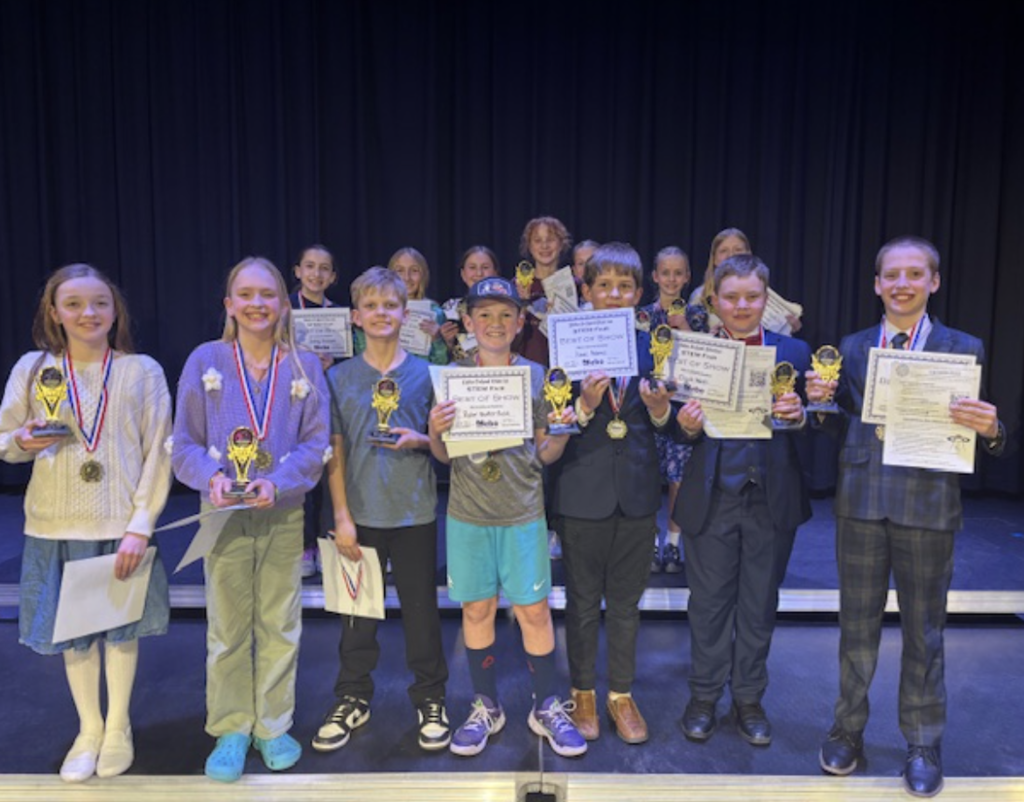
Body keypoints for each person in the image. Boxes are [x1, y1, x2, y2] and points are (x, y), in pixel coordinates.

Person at [806, 236, 1005, 797]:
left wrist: (992, 431)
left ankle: (923, 741)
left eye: (914, 274)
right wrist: (820, 402)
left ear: (933, 282)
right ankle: (847, 731)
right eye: (891, 275)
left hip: (929, 506)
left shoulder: (964, 346)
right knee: (856, 630)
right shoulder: (852, 346)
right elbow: (842, 419)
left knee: (925, 633)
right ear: (876, 284)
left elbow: (980, 428)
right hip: (863, 505)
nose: (901, 284)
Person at [0, 263, 173, 782]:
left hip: (119, 524)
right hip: (54, 526)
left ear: (114, 309)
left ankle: (118, 726)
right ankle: (88, 728)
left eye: (99, 302)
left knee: (120, 631)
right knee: (74, 634)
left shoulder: (143, 371)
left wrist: (140, 525)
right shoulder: (33, 369)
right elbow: (5, 440)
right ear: (53, 312)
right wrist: (21, 442)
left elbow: (157, 455)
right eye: (73, 303)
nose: (88, 313)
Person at [171, 256, 330, 783]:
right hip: (221, 512)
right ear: (229, 304)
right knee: (227, 624)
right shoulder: (204, 360)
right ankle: (232, 727)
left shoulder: (304, 364)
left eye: (268, 294)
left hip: (282, 514)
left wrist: (278, 482)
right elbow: (185, 445)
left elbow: (315, 445)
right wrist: (212, 478)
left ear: (284, 304)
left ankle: (273, 724)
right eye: (246, 294)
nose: (257, 304)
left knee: (280, 621)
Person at [428, 276, 586, 759]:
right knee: (476, 610)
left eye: (505, 315)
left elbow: (544, 454)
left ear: (520, 323)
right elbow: (441, 455)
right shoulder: (451, 376)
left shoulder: (538, 376)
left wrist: (561, 432)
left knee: (534, 612)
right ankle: (486, 706)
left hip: (521, 513)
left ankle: (546, 707)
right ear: (470, 322)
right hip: (468, 515)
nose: (495, 324)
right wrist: (436, 430)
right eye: (485, 315)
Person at [673, 254, 812, 748]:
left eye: (752, 296)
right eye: (731, 297)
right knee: (708, 607)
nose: (741, 306)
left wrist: (799, 413)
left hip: (771, 499)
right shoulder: (694, 352)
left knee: (758, 606)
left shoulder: (793, 352)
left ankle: (749, 699)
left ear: (765, 298)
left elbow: (813, 422)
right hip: (711, 499)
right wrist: (683, 426)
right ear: (715, 300)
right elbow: (676, 426)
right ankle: (704, 698)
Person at [312, 267, 449, 753]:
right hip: (360, 516)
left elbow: (446, 452)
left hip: (414, 514)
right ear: (355, 317)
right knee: (357, 617)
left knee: (422, 615)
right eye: (371, 306)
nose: (381, 314)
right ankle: (353, 696)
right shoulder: (338, 377)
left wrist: (424, 439)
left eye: (390, 306)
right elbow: (336, 452)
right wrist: (341, 517)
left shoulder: (428, 375)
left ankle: (430, 698)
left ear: (404, 312)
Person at [550, 242, 675, 745]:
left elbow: (675, 430)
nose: (614, 294)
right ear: (587, 291)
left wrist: (663, 410)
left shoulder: (654, 351)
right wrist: (581, 406)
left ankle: (620, 694)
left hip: (638, 497)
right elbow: (554, 424)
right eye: (604, 286)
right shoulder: (564, 350)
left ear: (639, 295)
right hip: (582, 495)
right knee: (581, 603)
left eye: (625, 287)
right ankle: (581, 692)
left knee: (625, 604)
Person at [640, 246, 701, 573]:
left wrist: (685, 329)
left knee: (679, 478)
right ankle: (650, 543)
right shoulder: (643, 316)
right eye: (666, 272)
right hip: (650, 403)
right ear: (655, 276)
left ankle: (673, 544)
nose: (672, 279)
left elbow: (706, 363)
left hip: (681, 407)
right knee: (650, 474)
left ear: (688, 277)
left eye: (679, 273)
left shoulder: (698, 316)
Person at [289, 244, 338, 578]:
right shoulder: (284, 311)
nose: (316, 274)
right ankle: (304, 545)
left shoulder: (341, 315)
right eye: (309, 266)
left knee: (332, 474)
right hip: (293, 403)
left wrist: (333, 363)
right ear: (297, 272)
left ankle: (327, 541)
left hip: (329, 401)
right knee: (303, 474)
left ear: (332, 277)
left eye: (323, 268)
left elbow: (351, 360)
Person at [513, 215, 573, 367]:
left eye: (550, 239)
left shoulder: (575, 285)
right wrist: (523, 303)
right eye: (538, 240)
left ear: (561, 244)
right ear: (529, 246)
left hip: (566, 369)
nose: (544, 246)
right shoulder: (516, 286)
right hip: (527, 367)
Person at [382, 247, 450, 365]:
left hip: (423, 379)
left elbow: (440, 364)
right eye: (400, 270)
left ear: (423, 275)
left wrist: (437, 339)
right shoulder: (380, 311)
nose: (407, 277)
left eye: (414, 271)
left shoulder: (435, 312)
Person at [440, 245, 500, 360]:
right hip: (459, 375)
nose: (479, 273)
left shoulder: (506, 309)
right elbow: (439, 357)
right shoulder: (450, 309)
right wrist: (447, 342)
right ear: (463, 274)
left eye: (485, 267)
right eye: (472, 267)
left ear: (495, 273)